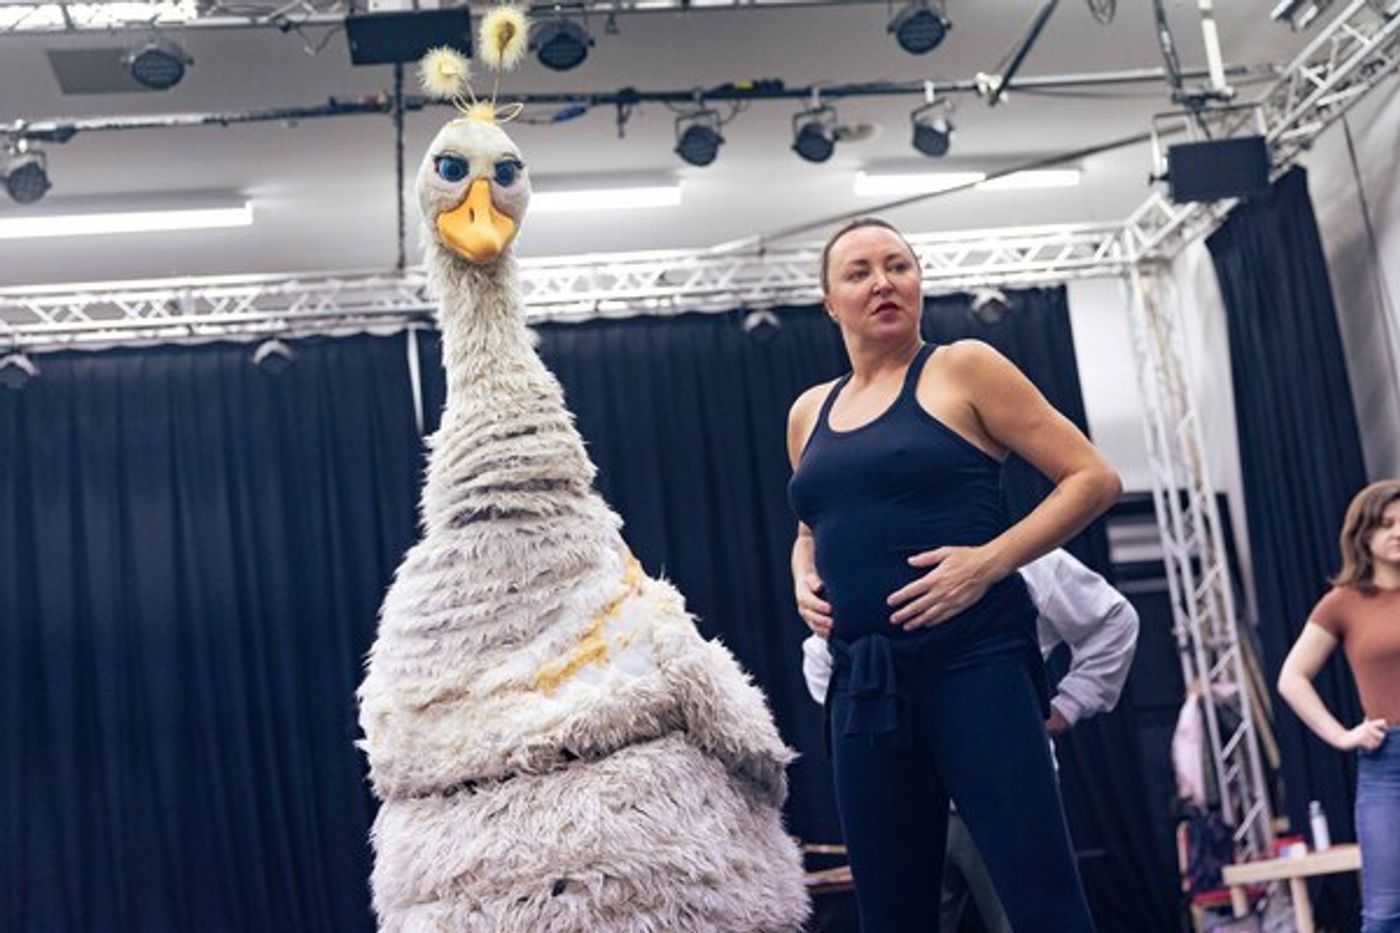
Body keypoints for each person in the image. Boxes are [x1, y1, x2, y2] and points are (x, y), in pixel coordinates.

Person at [787, 216, 1121, 932]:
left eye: (898, 265)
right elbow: (813, 521)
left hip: (974, 664)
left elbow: (1093, 478)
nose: (883, 281)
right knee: (892, 911)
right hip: (864, 682)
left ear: (918, 282)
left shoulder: (962, 367)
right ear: (829, 302)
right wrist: (800, 571)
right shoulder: (809, 411)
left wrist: (990, 560)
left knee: (1039, 897)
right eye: (859, 272)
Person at [800, 547, 1140, 933]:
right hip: (905, 800)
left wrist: (1065, 706)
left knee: (1029, 920)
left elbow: (1114, 619)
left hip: (1004, 789)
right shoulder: (870, 558)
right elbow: (820, 658)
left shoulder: (1020, 553)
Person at [1278, 479, 1400, 933]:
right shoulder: (1344, 603)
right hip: (1389, 764)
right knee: (1386, 914)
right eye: (1386, 524)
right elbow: (1292, 677)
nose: (1397, 532)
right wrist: (1342, 735)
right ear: (1363, 534)